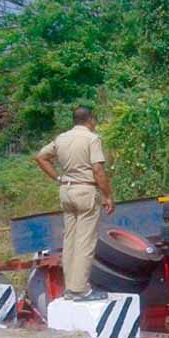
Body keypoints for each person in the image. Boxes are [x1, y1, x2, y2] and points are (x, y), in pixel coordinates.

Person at [35, 107, 115, 300]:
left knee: (69, 240)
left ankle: (70, 289)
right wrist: (108, 195)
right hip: (85, 190)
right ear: (90, 120)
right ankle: (80, 289)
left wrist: (59, 178)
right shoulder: (91, 138)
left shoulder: (62, 138)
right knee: (85, 241)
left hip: (66, 191)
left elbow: (41, 157)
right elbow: (97, 170)